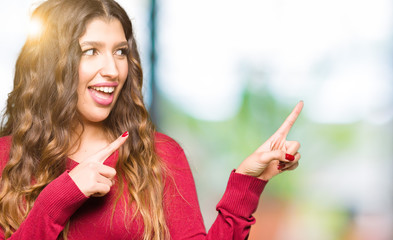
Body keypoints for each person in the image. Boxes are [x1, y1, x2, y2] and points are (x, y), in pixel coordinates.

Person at [0, 0, 303, 239]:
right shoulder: (5, 158)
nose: (112, 70)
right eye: (90, 51)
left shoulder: (160, 155)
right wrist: (59, 198)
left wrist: (249, 182)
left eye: (120, 52)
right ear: (52, 63)